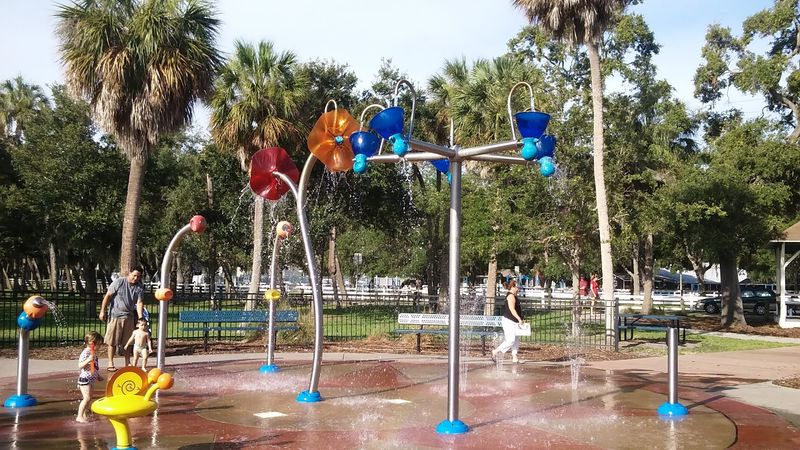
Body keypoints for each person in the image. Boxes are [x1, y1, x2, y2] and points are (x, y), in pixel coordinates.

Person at [99, 266, 144, 371]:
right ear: (129, 273)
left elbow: (139, 302)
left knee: (128, 342)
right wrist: (102, 311)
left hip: (129, 317)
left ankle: (127, 362)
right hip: (115, 316)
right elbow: (107, 296)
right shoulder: (119, 282)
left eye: (138, 276)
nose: (136, 278)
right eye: (134, 275)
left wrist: (140, 316)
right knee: (112, 341)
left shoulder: (140, 287)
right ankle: (110, 362)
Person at [491, 279, 525, 363]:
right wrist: (519, 319)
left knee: (516, 339)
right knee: (511, 340)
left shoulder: (514, 296)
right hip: (509, 321)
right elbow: (512, 310)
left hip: (514, 321)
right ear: (513, 287)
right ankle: (495, 351)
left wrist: (520, 319)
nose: (518, 289)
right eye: (517, 287)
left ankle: (514, 357)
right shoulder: (511, 296)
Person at [76, 331, 103, 422]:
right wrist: (88, 360)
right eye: (99, 344)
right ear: (92, 343)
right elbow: (80, 365)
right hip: (85, 379)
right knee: (86, 398)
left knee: (89, 398)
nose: (100, 347)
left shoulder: (92, 352)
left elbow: (93, 366)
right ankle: (79, 416)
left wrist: (98, 375)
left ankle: (84, 414)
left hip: (90, 378)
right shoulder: (86, 353)